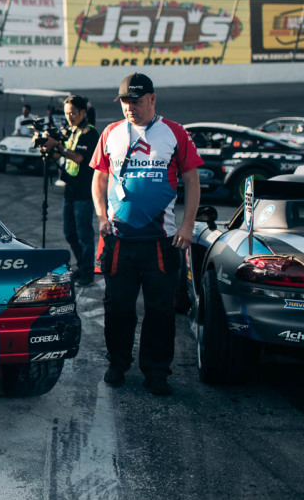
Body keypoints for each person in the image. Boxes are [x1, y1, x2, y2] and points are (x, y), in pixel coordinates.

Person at [90, 73, 202, 396]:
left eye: (136, 101)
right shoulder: (110, 133)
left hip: (160, 241)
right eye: (125, 101)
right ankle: (118, 363)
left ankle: (156, 372)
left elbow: (192, 181)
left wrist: (187, 224)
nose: (130, 108)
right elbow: (98, 179)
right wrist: (100, 217)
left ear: (153, 99)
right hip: (120, 240)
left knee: (160, 310)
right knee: (118, 307)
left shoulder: (174, 133)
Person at [44, 95, 100, 286]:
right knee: (69, 232)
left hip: (84, 192)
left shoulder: (90, 133)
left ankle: (87, 272)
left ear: (83, 112)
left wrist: (57, 145)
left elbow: (78, 158)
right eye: (67, 114)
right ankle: (82, 265)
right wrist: (48, 149)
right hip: (70, 190)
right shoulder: (71, 131)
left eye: (73, 113)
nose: (69, 117)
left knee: (84, 234)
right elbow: (62, 156)